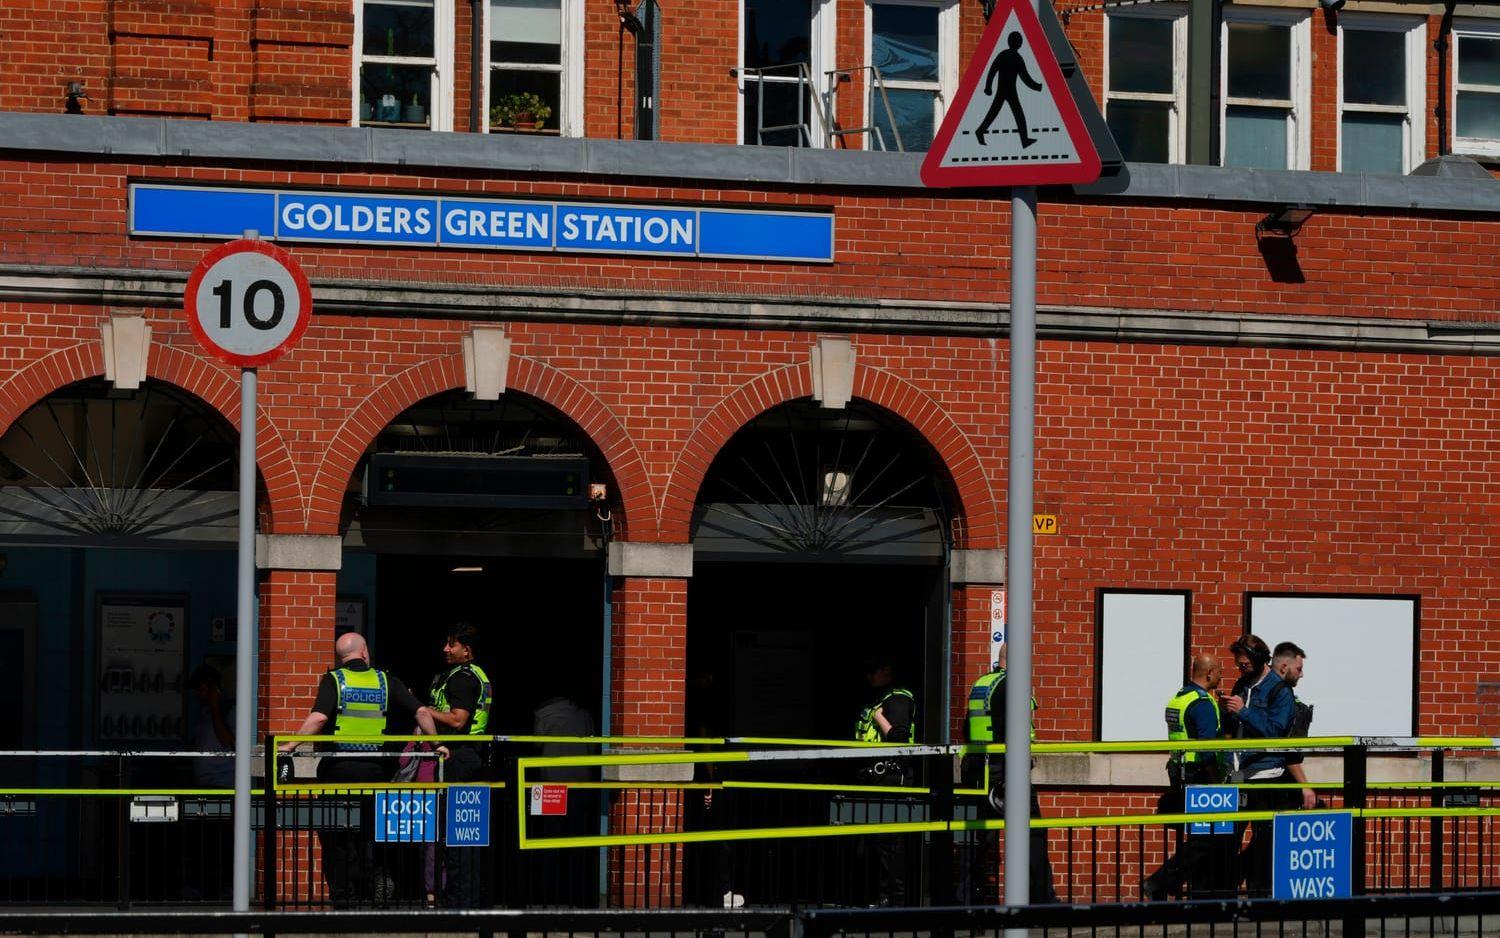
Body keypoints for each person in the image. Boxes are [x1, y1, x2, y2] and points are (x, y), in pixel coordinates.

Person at [278, 633, 443, 907]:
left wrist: (290, 745)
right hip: (376, 772)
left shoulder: (334, 680)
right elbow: (422, 712)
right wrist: (438, 744)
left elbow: (319, 717)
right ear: (364, 651)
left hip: (337, 772)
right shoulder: (385, 680)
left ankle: (344, 896)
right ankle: (375, 881)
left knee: (336, 836)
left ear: (339, 657)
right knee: (371, 833)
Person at [965, 643, 1057, 904]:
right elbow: (1013, 730)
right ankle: (1041, 899)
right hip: (1006, 770)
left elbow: (967, 726)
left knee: (982, 837)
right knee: (1034, 833)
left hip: (979, 770)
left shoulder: (982, 684)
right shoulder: (1013, 686)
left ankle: (971, 899)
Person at [1144, 654, 1233, 901]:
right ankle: (1161, 881)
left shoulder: (1179, 698)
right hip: (1200, 775)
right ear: (1209, 673)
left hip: (1179, 771)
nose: (1221, 676)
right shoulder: (1203, 703)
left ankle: (1189, 888)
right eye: (1219, 671)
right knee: (1205, 839)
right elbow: (1206, 747)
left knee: (1200, 836)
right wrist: (1217, 783)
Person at [1220, 633, 1295, 896]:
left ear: (1260, 659)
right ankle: (1225, 896)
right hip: (1239, 775)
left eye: (1245, 665)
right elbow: (1232, 729)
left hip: (1266, 775)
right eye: (1239, 665)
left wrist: (1243, 711)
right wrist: (1227, 711)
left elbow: (1276, 733)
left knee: (1263, 842)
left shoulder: (1280, 691)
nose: (1241, 669)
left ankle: (1259, 897)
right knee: (1228, 839)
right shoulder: (1241, 685)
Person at [425, 622, 493, 908]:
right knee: (466, 833)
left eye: (451, 645)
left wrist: (423, 710)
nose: (445, 649)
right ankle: (466, 897)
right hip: (470, 758)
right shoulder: (472, 674)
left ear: (467, 650)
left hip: (460, 759)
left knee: (456, 834)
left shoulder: (463, 678)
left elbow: (457, 720)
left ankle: (459, 900)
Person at [853, 656, 917, 907]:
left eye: (873, 671)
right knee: (875, 844)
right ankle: (879, 897)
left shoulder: (898, 698)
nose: (869, 677)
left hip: (892, 780)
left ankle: (894, 900)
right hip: (874, 780)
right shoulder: (878, 699)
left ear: (887, 670)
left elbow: (899, 738)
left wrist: (880, 719)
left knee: (890, 845)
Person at [976, 32, 1043, 147]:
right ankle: (1024, 140)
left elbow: (993, 70)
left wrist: (988, 86)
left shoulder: (1005, 55)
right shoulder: (1016, 57)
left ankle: (981, 131)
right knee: (1015, 114)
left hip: (1006, 90)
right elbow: (1025, 77)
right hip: (1007, 90)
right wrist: (1038, 87)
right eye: (1018, 41)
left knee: (998, 112)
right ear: (1018, 43)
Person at [1272, 642, 1318, 810]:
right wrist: (1304, 786)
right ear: (1284, 667)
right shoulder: (1283, 695)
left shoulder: (1259, 687)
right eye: (1298, 669)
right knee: (1274, 832)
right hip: (1278, 777)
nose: (1302, 674)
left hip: (1258, 774)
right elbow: (1288, 747)